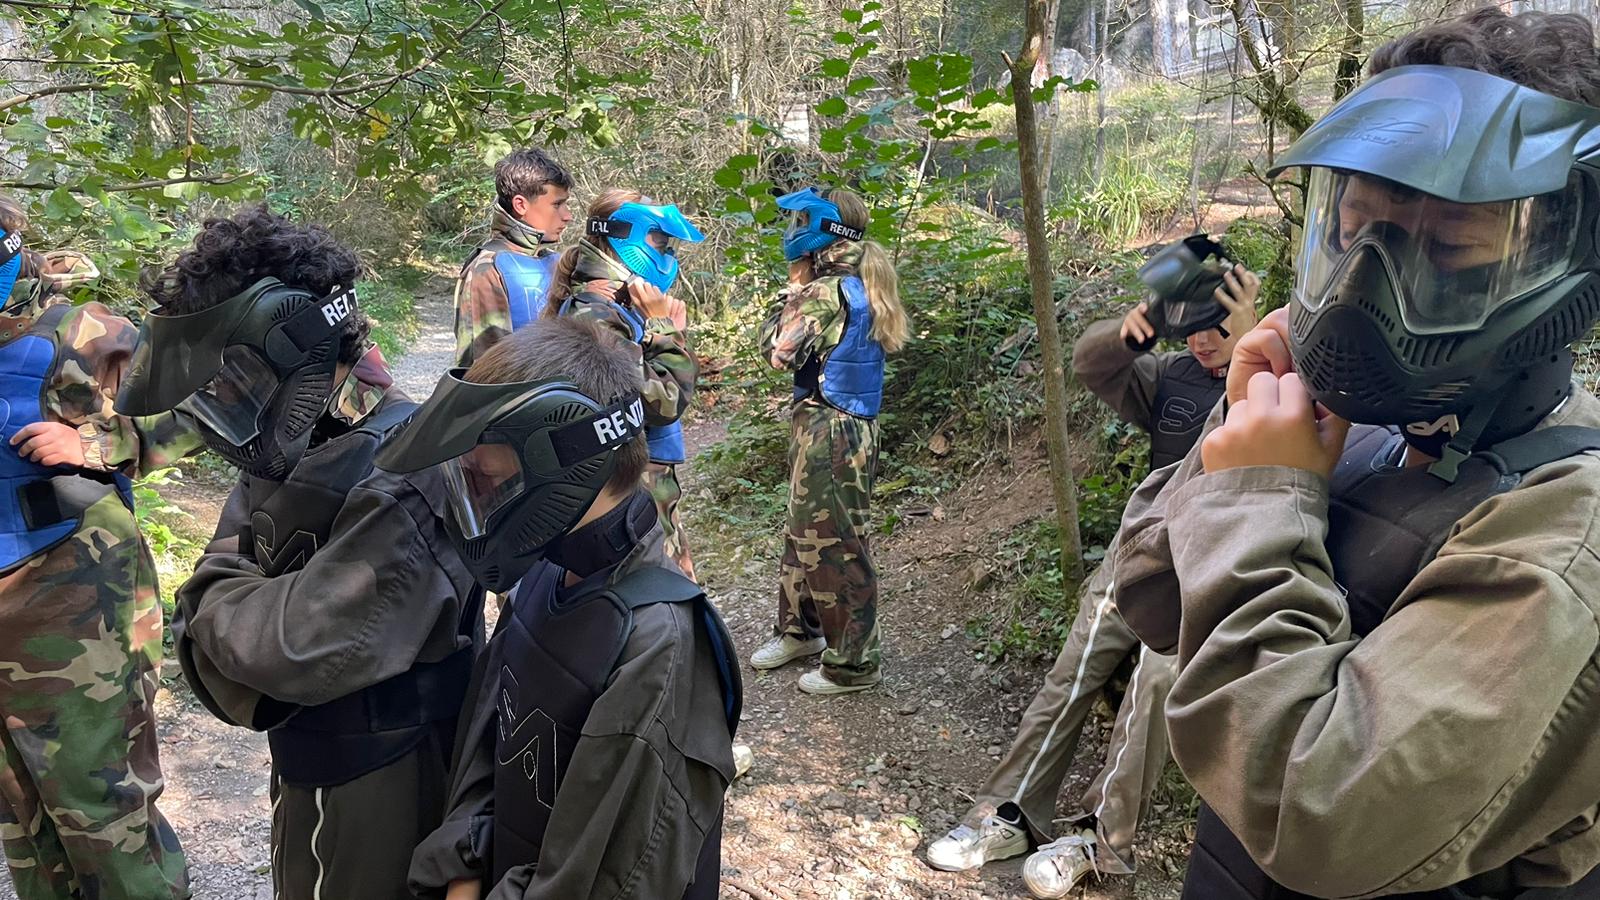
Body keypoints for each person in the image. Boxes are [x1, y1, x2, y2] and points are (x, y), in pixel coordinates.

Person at [1110, 9, 1600, 897]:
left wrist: (1262, 490)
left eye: (1445, 246)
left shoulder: (1566, 536)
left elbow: (1318, 813)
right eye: (1351, 234)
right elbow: (1149, 596)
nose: (1362, 287)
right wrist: (1243, 430)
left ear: (1567, 264)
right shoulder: (1368, 428)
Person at [116, 206, 482, 900]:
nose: (221, 399)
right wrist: (232, 594)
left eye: (233, 378)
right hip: (319, 762)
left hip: (385, 770)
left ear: (295, 351)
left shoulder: (407, 467)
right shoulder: (304, 435)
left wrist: (212, 596)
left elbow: (284, 649)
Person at [924, 238, 1260, 898]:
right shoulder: (1172, 376)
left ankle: (1106, 844)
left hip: (1220, 564)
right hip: (1146, 549)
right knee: (1075, 666)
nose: (1202, 342)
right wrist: (1137, 329)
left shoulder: (1274, 377)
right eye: (1189, 330)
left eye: (1216, 328)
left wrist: (1250, 351)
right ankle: (1009, 814)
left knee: (1155, 686)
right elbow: (1091, 366)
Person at [389, 316, 742, 900]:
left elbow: (605, 878)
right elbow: (492, 742)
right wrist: (463, 867)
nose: (475, 501)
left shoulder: (659, 641)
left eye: (484, 481)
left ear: (562, 468)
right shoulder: (547, 570)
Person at [0, 196, 195, 899]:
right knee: (23, 818)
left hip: (78, 596)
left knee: (102, 806)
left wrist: (97, 442)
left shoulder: (86, 328)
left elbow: (200, 410)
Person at [749, 186, 909, 694]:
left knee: (834, 544)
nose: (790, 231)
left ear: (819, 230)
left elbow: (776, 352)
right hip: (842, 425)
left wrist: (792, 289)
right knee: (806, 531)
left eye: (798, 221)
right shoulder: (860, 277)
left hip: (832, 430)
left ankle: (854, 665)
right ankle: (802, 631)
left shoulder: (823, 290)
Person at [544, 189, 702, 578]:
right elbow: (663, 403)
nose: (666, 252)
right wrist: (667, 331)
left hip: (638, 477)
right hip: (631, 482)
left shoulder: (614, 302)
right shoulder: (596, 312)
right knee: (663, 592)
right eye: (659, 241)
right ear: (624, 238)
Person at [455, 148, 576, 368]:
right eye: (557, 204)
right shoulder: (489, 268)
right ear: (521, 205)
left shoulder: (555, 261)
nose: (567, 215)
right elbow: (483, 370)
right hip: (520, 399)